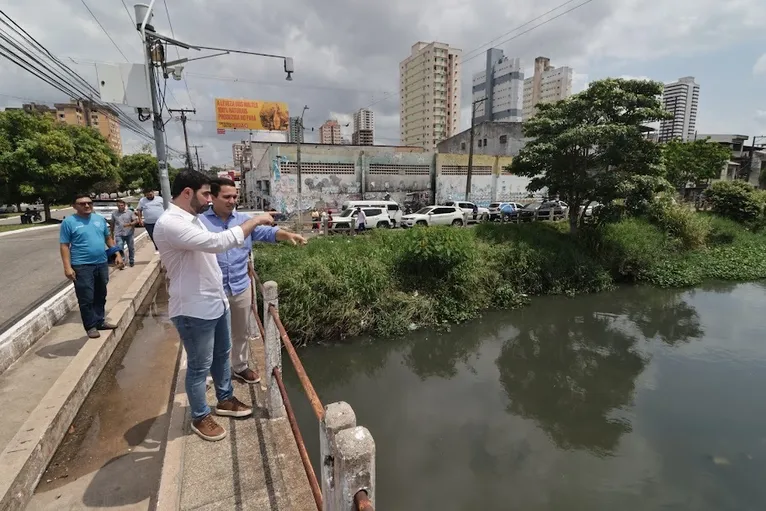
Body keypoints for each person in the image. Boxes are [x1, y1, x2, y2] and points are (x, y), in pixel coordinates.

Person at [153, 170, 279, 442]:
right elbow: (217, 242)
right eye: (206, 193)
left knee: (222, 354)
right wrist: (256, 219)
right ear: (188, 192)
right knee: (200, 366)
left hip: (216, 301)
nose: (210, 200)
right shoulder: (172, 223)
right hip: (193, 308)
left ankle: (225, 399)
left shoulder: (191, 219)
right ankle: (199, 416)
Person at [200, 178, 307, 386]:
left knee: (241, 331)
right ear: (212, 197)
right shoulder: (201, 223)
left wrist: (288, 234)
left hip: (240, 285)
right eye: (226, 197)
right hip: (211, 289)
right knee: (209, 333)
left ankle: (239, 366)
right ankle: (206, 372)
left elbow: (267, 232)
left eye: (234, 196)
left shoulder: (243, 220)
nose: (232, 201)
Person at [59, 193, 123, 339]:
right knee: (86, 297)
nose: (87, 206)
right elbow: (64, 245)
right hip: (82, 265)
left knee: (101, 294)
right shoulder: (69, 222)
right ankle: (90, 326)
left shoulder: (99, 219)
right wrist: (67, 267)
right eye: (82, 204)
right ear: (74, 206)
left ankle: (100, 321)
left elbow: (108, 238)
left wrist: (117, 254)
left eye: (89, 203)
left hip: (101, 263)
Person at [110, 199, 138, 268]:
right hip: (119, 234)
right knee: (120, 248)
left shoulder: (129, 212)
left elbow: (135, 221)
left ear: (124, 205)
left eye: (122, 205)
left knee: (131, 248)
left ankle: (131, 261)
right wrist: (111, 233)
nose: (120, 207)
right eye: (119, 205)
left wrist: (129, 224)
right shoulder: (114, 214)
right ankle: (122, 262)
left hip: (129, 233)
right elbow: (112, 224)